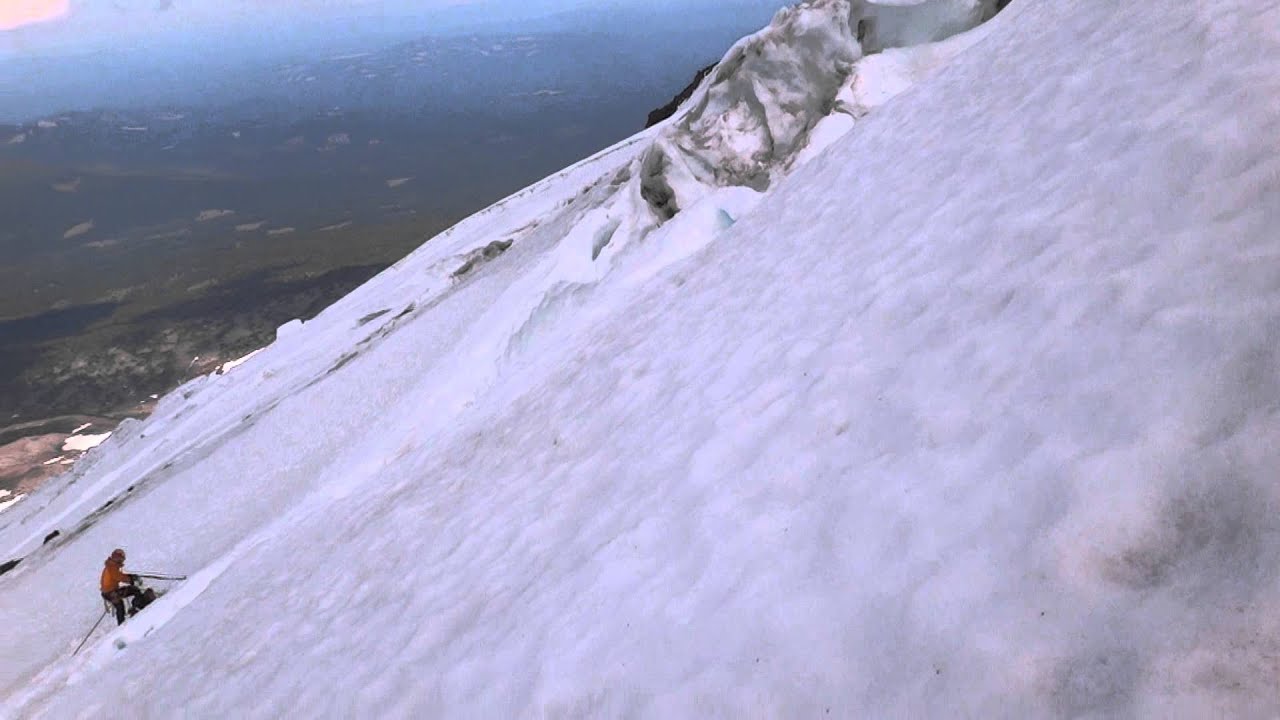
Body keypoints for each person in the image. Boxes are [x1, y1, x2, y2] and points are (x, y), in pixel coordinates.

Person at [100, 548, 143, 625]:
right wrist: (131, 579)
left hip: (108, 592)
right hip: (111, 593)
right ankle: (122, 623)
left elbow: (118, 576)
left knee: (120, 604)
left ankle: (122, 623)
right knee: (132, 592)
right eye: (122, 558)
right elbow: (118, 577)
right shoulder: (112, 567)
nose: (122, 560)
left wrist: (130, 577)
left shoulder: (111, 565)